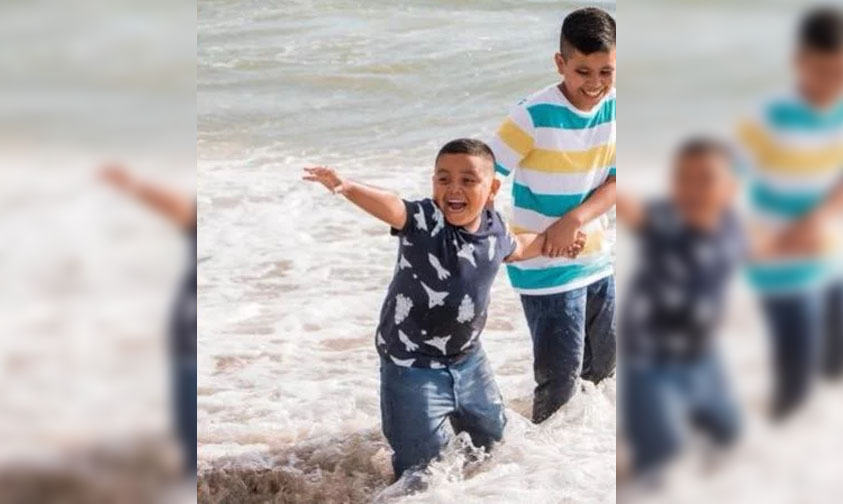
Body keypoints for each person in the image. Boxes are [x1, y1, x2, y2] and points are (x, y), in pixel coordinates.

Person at [302, 139, 583, 479]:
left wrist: (556, 244)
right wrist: (346, 187)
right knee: (422, 472)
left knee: (493, 445)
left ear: (492, 187)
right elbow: (393, 206)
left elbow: (518, 247)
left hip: (468, 361)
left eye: (468, 180)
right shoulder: (424, 220)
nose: (454, 189)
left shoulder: (494, 228)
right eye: (444, 179)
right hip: (411, 366)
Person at [489, 6, 617, 423]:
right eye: (583, 71)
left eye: (606, 71)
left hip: (598, 261)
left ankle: (574, 466)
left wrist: (574, 220)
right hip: (545, 269)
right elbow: (483, 179)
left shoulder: (620, 107)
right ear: (560, 63)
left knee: (604, 371)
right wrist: (491, 245)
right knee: (559, 384)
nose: (595, 84)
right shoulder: (532, 115)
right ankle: (535, 466)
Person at [736, 6, 843, 419]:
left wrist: (815, 222)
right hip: (777, 261)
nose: (829, 84)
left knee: (833, 364)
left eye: (839, 73)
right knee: (794, 377)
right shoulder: (770, 116)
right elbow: (724, 182)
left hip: (827, 253)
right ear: (800, 62)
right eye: (821, 72)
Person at [617, 138, 743, 476]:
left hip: (702, 353)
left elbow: (764, 250)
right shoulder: (662, 219)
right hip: (649, 359)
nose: (692, 188)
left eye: (705, 179)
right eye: (683, 178)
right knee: (659, 457)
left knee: (729, 435)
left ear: (730, 188)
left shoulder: (733, 227)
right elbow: (625, 204)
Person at [100, 164, 197, 476]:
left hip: (189, 340)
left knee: (188, 443)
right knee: (185, 441)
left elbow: (182, 209)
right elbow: (180, 208)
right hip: (185, 338)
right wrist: (132, 185)